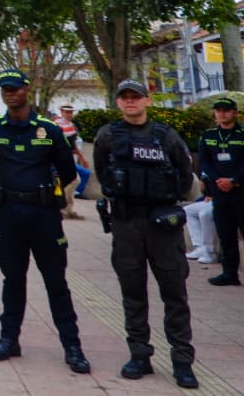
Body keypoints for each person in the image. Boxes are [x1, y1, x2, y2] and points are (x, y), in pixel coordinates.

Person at [0, 68, 91, 374]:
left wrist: (39, 189)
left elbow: (67, 170)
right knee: (13, 280)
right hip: (9, 213)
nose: (10, 93)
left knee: (56, 281)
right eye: (5, 89)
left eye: (15, 88)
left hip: (43, 216)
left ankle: (72, 347)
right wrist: (13, 186)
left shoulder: (48, 130)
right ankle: (9, 339)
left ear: (27, 89)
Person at [95, 78, 197, 388]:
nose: (130, 102)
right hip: (126, 224)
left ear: (147, 101)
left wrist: (163, 203)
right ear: (118, 103)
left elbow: (184, 175)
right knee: (133, 294)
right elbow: (103, 173)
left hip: (162, 226)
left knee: (174, 294)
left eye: (135, 97)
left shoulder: (166, 137)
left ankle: (182, 360)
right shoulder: (108, 136)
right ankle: (139, 354)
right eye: (124, 97)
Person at [199, 96, 244, 286]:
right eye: (218, 110)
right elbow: (205, 161)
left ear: (235, 112)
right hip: (219, 191)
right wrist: (217, 180)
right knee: (226, 234)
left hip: (241, 191)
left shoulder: (242, 134)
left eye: (226, 110)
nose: (222, 113)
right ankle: (229, 273)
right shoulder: (209, 135)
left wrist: (234, 180)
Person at [53, 104, 91, 219]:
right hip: (59, 159)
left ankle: (67, 209)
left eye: (71, 112)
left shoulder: (71, 126)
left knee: (77, 178)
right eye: (66, 112)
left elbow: (73, 145)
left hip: (69, 158)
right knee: (75, 180)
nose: (69, 114)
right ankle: (61, 208)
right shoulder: (56, 125)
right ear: (61, 112)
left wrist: (82, 158)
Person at [184, 195, 220, 264]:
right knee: (187, 210)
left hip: (228, 199)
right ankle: (200, 247)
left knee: (205, 214)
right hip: (214, 198)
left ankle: (210, 252)